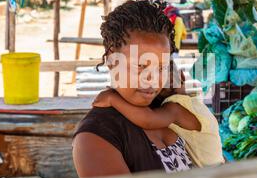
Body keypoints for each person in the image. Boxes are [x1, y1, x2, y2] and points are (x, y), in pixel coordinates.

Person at [72, 0, 202, 178]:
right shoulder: (94, 138)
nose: (152, 80)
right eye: (140, 66)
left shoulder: (166, 108)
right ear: (113, 61)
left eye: (161, 67)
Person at [93, 62, 225, 168]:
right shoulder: (195, 103)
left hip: (210, 176)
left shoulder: (176, 107)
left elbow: (148, 120)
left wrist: (113, 99)